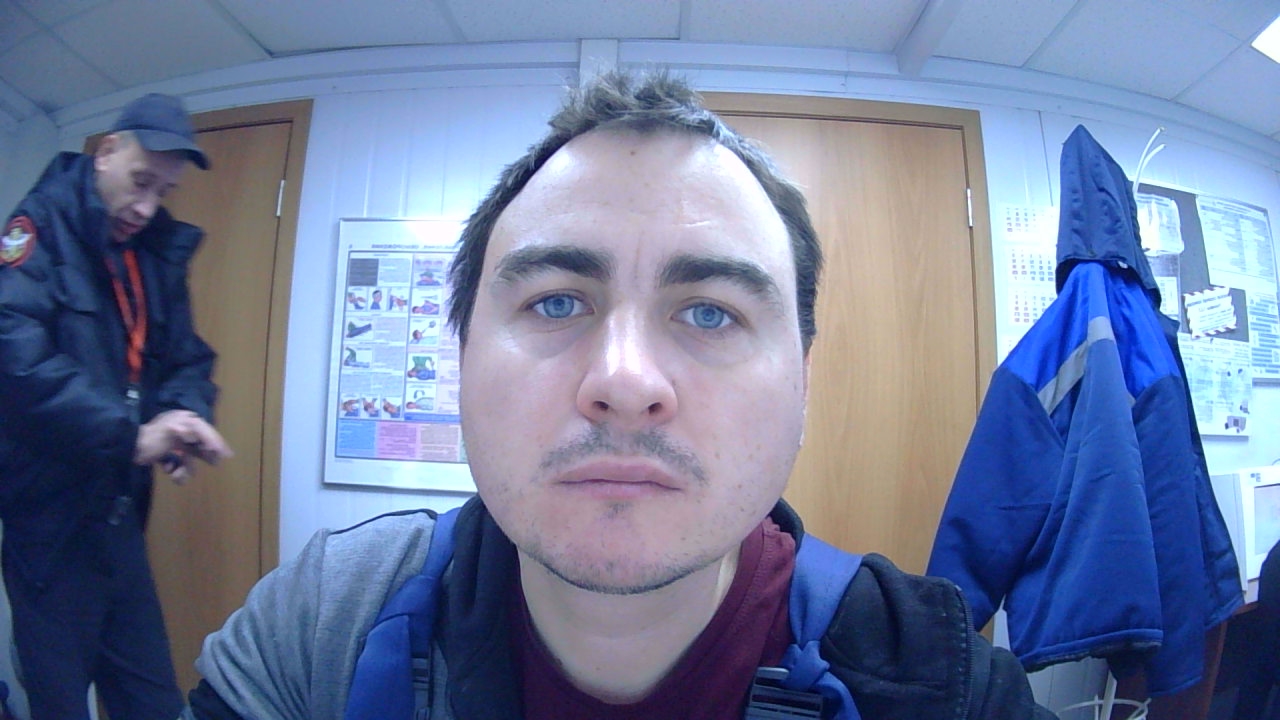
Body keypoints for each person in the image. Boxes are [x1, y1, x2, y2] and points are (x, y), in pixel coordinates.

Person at [183, 72, 1052, 719]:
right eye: (557, 302)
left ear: (804, 381)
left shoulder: (937, 678)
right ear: (462, 358)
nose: (626, 383)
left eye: (710, 312)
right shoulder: (324, 624)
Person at [0, 93, 233, 720]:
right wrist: (131, 437)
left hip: (119, 515)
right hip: (46, 525)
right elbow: (14, 358)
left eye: (164, 190)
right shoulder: (37, 228)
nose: (147, 206)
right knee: (60, 703)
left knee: (153, 699)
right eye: (140, 181)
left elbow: (186, 357)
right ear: (106, 152)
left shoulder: (152, 252)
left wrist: (184, 418)